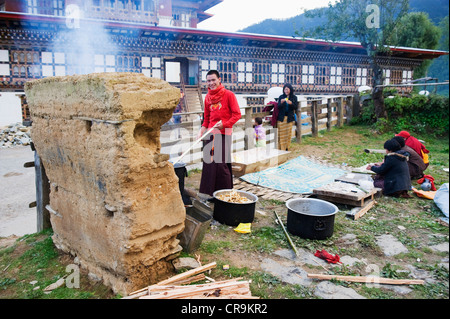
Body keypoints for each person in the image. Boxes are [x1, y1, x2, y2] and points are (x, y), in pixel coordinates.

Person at [198, 70, 242, 197]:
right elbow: (206, 119)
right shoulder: (207, 97)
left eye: (213, 80)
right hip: (211, 133)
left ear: (219, 79)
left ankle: (225, 194)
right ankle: (210, 194)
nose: (211, 83)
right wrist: (201, 131)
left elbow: (237, 114)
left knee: (221, 164)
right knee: (209, 164)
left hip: (224, 132)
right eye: (208, 80)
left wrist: (224, 124)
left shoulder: (229, 95)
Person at [276, 83, 298, 151]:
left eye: (287, 89)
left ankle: (286, 148)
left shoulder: (294, 97)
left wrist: (291, 103)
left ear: (290, 90)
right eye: (285, 89)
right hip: (281, 118)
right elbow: (278, 107)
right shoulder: (281, 97)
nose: (286, 91)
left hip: (289, 118)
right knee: (281, 134)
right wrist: (281, 103)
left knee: (288, 134)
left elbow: (295, 107)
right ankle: (280, 148)